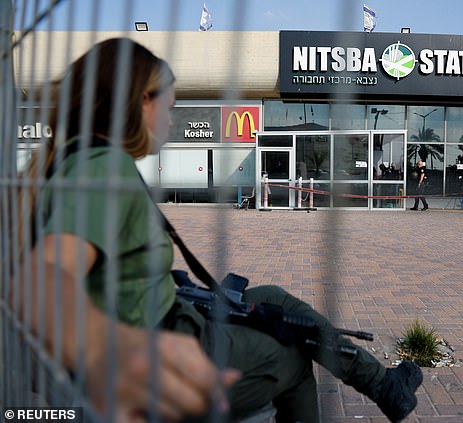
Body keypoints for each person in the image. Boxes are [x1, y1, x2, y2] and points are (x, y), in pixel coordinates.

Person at [11, 38, 422, 423]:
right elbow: (40, 282)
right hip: (170, 341)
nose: (172, 121)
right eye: (168, 108)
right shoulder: (103, 169)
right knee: (296, 357)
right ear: (140, 103)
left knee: (274, 300)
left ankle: (383, 385)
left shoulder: (80, 161)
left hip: (179, 310)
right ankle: (381, 385)